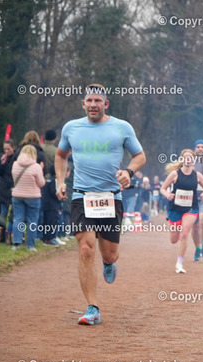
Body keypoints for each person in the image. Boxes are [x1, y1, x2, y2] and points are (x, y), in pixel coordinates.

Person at [56, 83, 146, 326]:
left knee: (110, 254)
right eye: (89, 100)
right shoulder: (71, 128)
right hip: (81, 196)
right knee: (86, 249)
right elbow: (61, 155)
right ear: (83, 104)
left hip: (110, 198)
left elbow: (140, 156)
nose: (93, 104)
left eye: (98, 101)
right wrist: (60, 182)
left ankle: (109, 263)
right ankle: (92, 308)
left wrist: (128, 171)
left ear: (106, 104)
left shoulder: (122, 127)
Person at [160, 149, 203, 273]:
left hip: (191, 208)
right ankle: (179, 257)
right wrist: (167, 195)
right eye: (186, 157)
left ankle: (179, 264)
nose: (188, 160)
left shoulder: (197, 175)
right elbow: (163, 188)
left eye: (190, 158)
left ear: (193, 160)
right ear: (182, 159)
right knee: (174, 239)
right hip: (175, 208)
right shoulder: (175, 174)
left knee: (184, 234)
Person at [11, 145, 45, 251]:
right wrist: (41, 169)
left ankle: (16, 243)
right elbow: (41, 183)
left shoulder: (15, 164)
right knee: (32, 221)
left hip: (17, 195)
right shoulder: (36, 167)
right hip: (33, 196)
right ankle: (30, 245)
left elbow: (14, 178)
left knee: (18, 219)